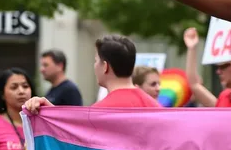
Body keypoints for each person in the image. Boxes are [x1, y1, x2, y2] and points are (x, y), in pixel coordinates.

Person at [25, 35, 160, 113]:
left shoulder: (99, 112)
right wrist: (52, 112)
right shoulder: (156, 108)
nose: (94, 66)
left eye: (96, 61)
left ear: (105, 66)